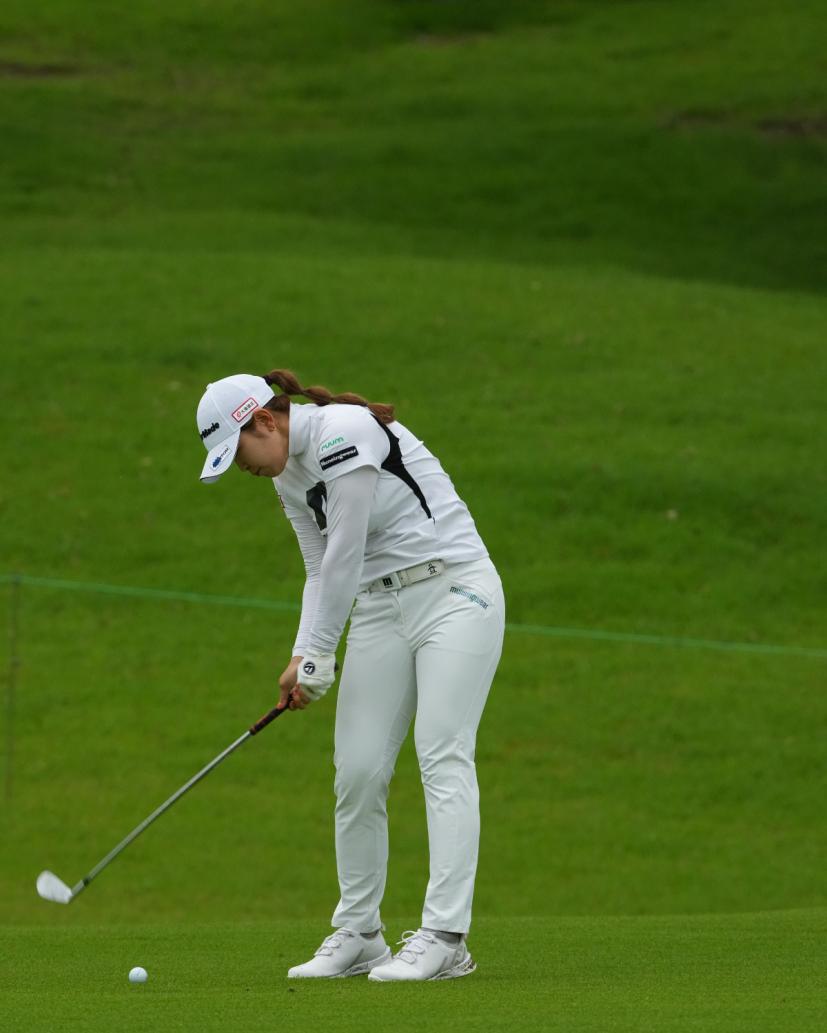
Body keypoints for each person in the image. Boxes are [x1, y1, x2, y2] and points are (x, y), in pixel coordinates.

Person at [196, 369, 505, 982]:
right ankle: (361, 933)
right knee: (357, 770)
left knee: (442, 752)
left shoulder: (344, 430)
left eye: (239, 451)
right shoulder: (286, 477)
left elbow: (347, 547)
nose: (241, 467)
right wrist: (302, 656)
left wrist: (320, 654)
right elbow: (319, 569)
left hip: (454, 591)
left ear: (266, 421)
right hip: (378, 608)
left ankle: (446, 937)